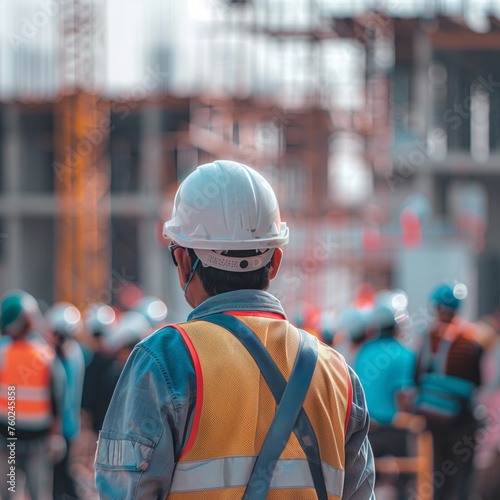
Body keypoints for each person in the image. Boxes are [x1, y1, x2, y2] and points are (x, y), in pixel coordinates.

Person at [95, 160, 375, 499]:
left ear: (183, 261)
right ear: (274, 262)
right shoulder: (338, 374)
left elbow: (126, 491)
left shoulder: (167, 358)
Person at [415, 282, 482, 500]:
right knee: (462, 476)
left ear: (435, 307)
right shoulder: (470, 338)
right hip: (462, 418)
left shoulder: (425, 337)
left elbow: (416, 377)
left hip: (434, 419)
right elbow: (478, 380)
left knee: (438, 476)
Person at [0, 290, 66, 500]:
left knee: (8, 491)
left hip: (7, 436)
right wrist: (56, 434)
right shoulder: (45, 355)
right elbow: (58, 398)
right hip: (37, 437)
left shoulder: (3, 353)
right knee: (39, 492)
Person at [45, 302, 86, 500]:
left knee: (58, 477)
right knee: (60, 473)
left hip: (58, 425)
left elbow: (58, 395)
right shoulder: (76, 352)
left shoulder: (59, 356)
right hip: (70, 424)